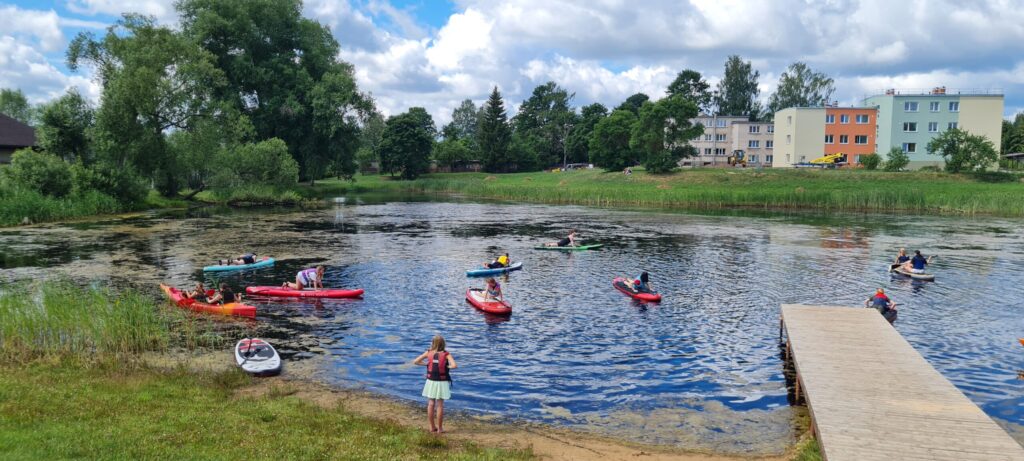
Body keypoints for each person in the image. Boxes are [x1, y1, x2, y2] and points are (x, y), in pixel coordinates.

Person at [413, 335, 457, 433]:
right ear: (443, 344)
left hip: (431, 381)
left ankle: (432, 427)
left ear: (433, 343)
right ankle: (440, 428)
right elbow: (454, 365)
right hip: (442, 381)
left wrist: (426, 364)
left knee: (431, 403)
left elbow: (415, 361)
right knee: (440, 405)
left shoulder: (428, 352)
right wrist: (446, 367)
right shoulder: (446, 354)